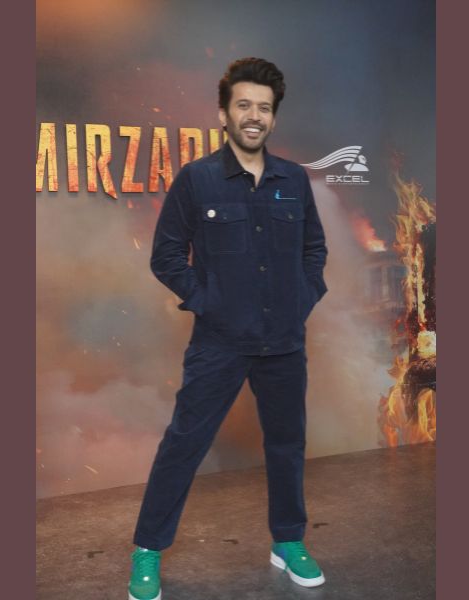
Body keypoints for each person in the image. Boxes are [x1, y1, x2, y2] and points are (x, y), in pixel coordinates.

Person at [128, 57, 328, 600]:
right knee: (184, 443)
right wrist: (208, 303)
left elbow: (314, 249)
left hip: (283, 342)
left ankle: (288, 540)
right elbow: (167, 256)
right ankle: (147, 551)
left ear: (274, 118)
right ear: (224, 113)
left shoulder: (294, 180)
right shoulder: (197, 180)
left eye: (264, 108)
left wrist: (303, 298)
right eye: (244, 105)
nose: (254, 116)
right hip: (219, 342)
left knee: (286, 444)